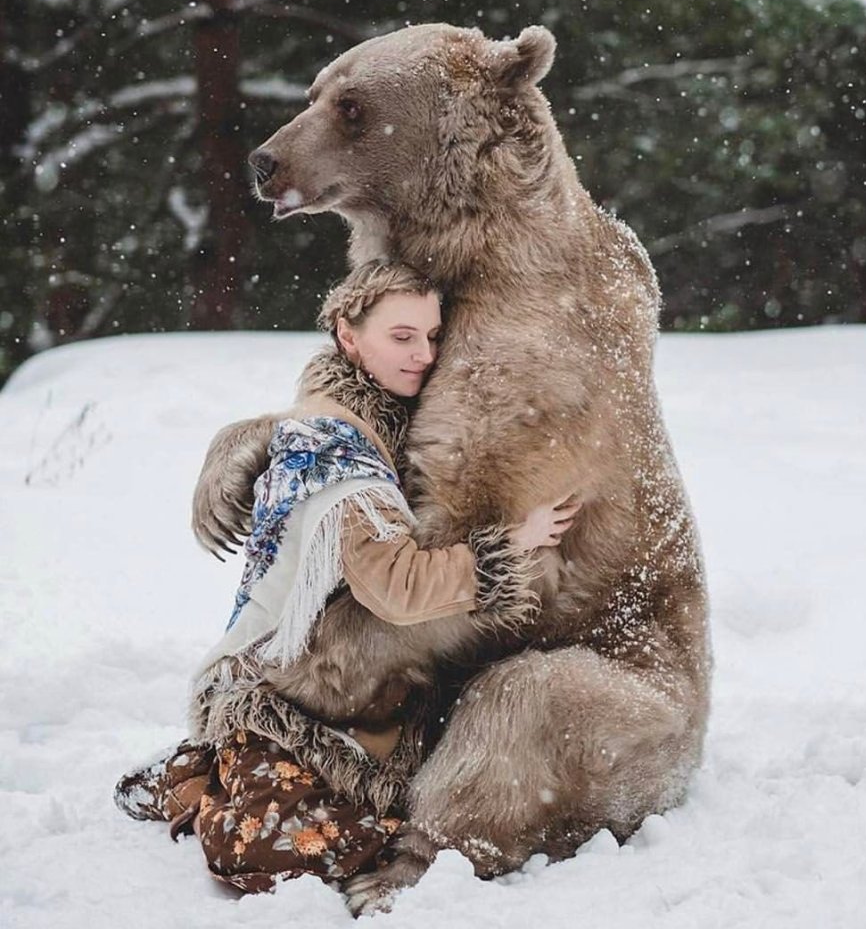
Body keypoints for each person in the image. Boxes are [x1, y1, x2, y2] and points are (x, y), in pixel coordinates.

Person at [115, 259, 579, 894]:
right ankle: (207, 786)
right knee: (254, 850)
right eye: (402, 336)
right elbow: (393, 586)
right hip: (300, 698)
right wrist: (510, 548)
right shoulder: (343, 457)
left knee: (302, 809)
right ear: (347, 335)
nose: (423, 354)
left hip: (309, 681)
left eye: (432, 336)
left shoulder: (343, 419)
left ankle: (203, 775)